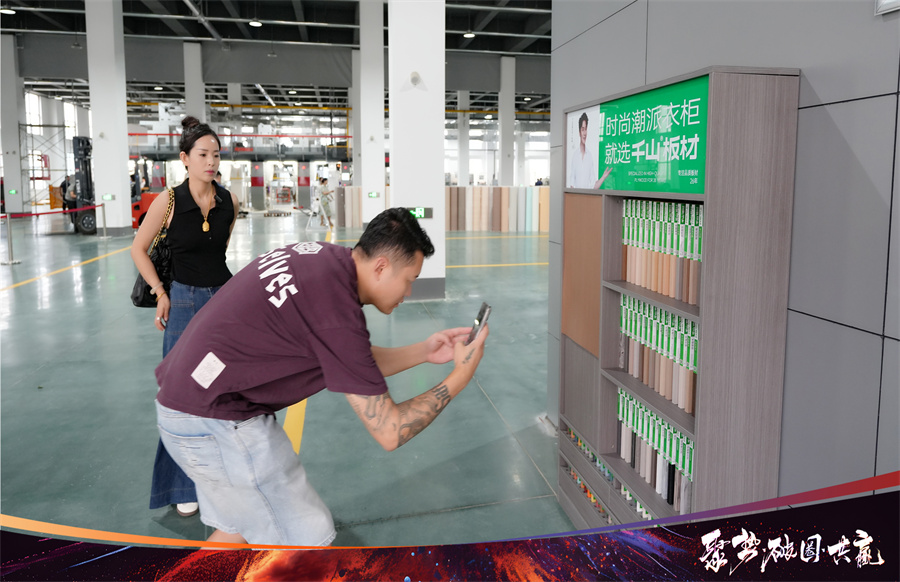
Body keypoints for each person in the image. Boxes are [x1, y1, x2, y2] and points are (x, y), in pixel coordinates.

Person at [154, 208, 489, 546]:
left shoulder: (324, 260)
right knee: (308, 542)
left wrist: (425, 351)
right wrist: (460, 377)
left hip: (186, 403)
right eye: (409, 280)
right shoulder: (336, 309)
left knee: (245, 524)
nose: (409, 292)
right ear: (381, 267)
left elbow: (349, 357)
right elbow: (390, 430)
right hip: (212, 420)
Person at [131, 116, 239, 518]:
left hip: (223, 302)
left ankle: (220, 477)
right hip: (183, 302)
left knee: (223, 390)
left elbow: (219, 254)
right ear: (185, 158)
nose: (211, 162)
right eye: (203, 155)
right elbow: (139, 248)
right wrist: (161, 292)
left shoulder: (229, 201)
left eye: (216, 155)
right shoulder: (169, 201)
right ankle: (181, 485)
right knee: (181, 396)